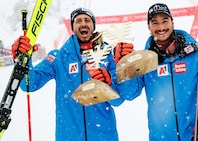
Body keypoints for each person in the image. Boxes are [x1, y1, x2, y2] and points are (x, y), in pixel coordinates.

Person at [11, 7, 133, 141]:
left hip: (103, 136)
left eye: (87, 20)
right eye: (78, 21)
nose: (83, 23)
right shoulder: (58, 58)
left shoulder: (108, 56)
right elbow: (29, 84)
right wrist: (23, 59)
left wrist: (107, 85)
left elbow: (118, 100)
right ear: (73, 27)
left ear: (93, 26)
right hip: (69, 136)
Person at [117, 3, 198, 141]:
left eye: (165, 21)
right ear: (148, 26)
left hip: (197, 135)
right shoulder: (144, 61)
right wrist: (124, 67)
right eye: (155, 22)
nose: (161, 27)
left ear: (172, 22)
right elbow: (129, 93)